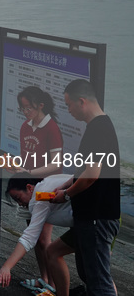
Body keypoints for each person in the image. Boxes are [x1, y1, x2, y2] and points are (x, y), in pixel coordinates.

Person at [51, 79, 120, 296]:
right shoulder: (99, 126)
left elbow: (92, 175)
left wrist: (66, 195)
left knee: (99, 283)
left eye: (68, 105)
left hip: (97, 218)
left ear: (81, 102)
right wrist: (67, 184)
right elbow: (85, 172)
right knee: (90, 275)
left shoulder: (98, 129)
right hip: (90, 216)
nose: (68, 110)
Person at [10, 85, 64, 287]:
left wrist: (29, 173)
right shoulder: (25, 126)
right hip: (28, 188)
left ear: (40, 105)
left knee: (43, 239)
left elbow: (56, 163)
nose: (25, 112)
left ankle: (54, 283)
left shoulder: (51, 128)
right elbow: (26, 158)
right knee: (34, 238)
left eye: (28, 108)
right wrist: (17, 168)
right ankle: (45, 278)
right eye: (22, 109)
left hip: (46, 189)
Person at [0, 173, 74, 296]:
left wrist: (7, 267)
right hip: (90, 221)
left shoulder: (39, 198)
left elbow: (29, 237)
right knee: (56, 253)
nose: (20, 204)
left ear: (29, 188)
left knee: (54, 252)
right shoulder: (44, 185)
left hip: (96, 221)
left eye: (18, 198)